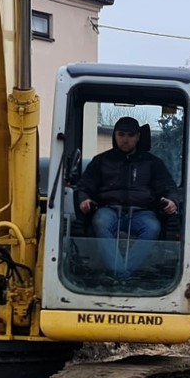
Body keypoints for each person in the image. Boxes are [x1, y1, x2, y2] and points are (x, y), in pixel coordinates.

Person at [74, 116, 179, 279]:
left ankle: (120, 273)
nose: (125, 139)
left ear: (138, 137)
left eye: (130, 135)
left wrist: (172, 200)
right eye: (121, 134)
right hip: (109, 210)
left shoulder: (153, 163)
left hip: (142, 212)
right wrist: (84, 199)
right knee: (100, 222)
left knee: (152, 227)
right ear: (115, 135)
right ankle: (124, 275)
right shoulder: (101, 161)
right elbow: (84, 187)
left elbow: (169, 187)